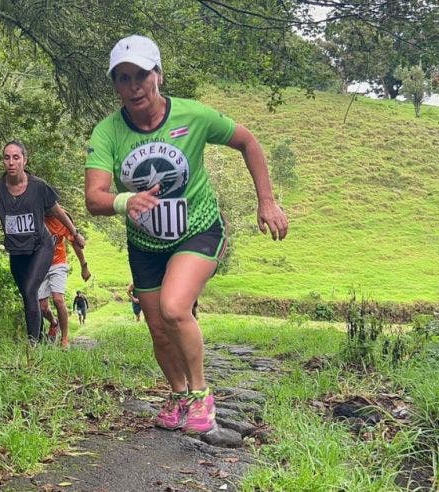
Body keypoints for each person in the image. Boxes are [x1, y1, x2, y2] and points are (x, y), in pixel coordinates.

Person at [84, 35, 288, 434]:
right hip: (145, 243)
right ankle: (177, 394)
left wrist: (267, 201)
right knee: (158, 326)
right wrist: (127, 202)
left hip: (198, 230)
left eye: (141, 75)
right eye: (122, 79)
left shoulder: (192, 116)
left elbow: (247, 140)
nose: (133, 87)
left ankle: (201, 395)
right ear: (115, 85)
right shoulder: (107, 132)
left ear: (158, 75)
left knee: (176, 308)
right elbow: (94, 197)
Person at [0, 140, 85, 344]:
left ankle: (32, 346)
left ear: (24, 160)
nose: (11, 162)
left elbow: (58, 212)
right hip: (17, 252)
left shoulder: (38, 187)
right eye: (6, 157)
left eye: (16, 157)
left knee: (30, 290)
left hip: (41, 247)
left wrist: (75, 233)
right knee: (28, 296)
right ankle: (41, 336)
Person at [38, 210, 91, 348]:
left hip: (58, 263)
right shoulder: (34, 213)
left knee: (58, 299)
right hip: (40, 264)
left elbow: (75, 243)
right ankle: (54, 323)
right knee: (42, 308)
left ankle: (65, 339)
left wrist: (84, 266)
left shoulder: (62, 217)